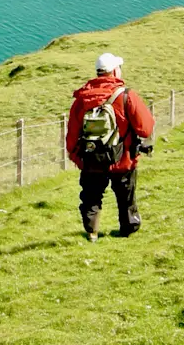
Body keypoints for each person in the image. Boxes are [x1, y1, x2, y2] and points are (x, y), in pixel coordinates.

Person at [66, 53, 155, 241]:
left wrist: (79, 159)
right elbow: (145, 128)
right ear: (115, 71)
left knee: (91, 197)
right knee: (126, 197)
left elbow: (72, 135)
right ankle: (128, 230)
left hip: (91, 160)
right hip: (122, 159)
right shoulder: (126, 96)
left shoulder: (82, 99)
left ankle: (92, 232)